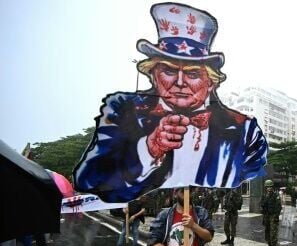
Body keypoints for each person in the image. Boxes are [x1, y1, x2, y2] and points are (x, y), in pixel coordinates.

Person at [73, 2, 268, 203]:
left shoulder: (245, 130)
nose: (180, 82)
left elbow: (252, 177)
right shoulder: (123, 108)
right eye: (169, 70)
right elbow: (89, 181)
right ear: (153, 75)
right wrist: (149, 148)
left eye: (193, 74)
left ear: (211, 82)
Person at [260, 180, 282, 246]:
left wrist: (276, 216)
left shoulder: (276, 195)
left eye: (270, 187)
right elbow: (261, 204)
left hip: (273, 216)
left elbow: (279, 207)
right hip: (266, 216)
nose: (269, 188)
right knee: (267, 232)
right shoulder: (264, 195)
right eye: (268, 187)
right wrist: (262, 208)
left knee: (273, 234)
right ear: (266, 187)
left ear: (272, 187)